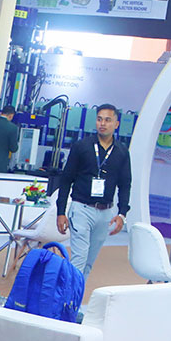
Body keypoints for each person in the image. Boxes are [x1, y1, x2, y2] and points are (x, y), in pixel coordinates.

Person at [56, 104, 131, 278]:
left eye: (107, 120)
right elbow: (66, 180)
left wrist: (122, 214)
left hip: (105, 213)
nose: (102, 123)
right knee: (79, 259)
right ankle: (68, 295)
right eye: (99, 119)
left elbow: (125, 184)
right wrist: (61, 212)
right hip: (81, 209)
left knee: (89, 263)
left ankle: (76, 293)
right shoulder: (81, 146)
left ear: (116, 124)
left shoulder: (122, 151)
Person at [0, 105, 20, 173]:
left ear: (1, 113)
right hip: (0, 164)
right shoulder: (12, 128)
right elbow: (13, 148)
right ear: (11, 115)